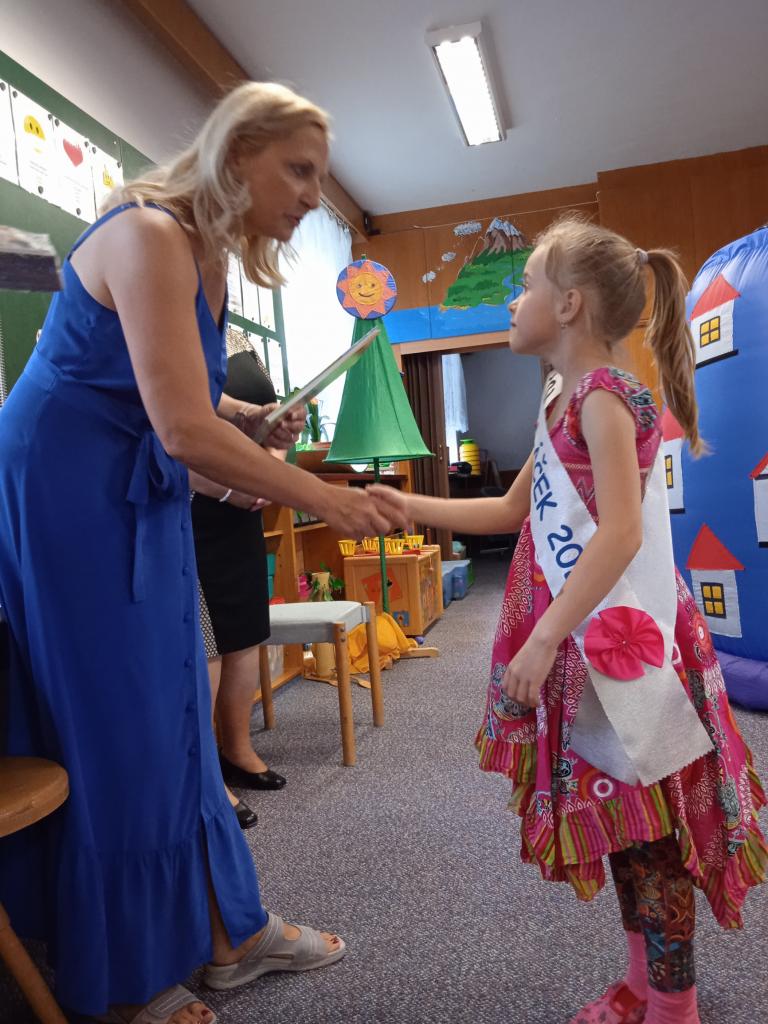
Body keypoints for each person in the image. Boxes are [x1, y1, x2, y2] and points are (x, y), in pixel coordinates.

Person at [0, 81, 400, 1024]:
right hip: (68, 494)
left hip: (127, 487)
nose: (312, 195)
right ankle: (128, 974)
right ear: (236, 152)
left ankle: (226, 930)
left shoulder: (203, 253)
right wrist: (322, 497)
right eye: (298, 170)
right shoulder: (147, 233)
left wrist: (248, 418)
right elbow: (179, 426)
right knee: (122, 722)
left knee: (177, 704)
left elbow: (175, 390)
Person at [371, 216, 767, 1024]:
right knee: (625, 823)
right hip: (590, 647)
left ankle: (675, 1006)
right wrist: (407, 505)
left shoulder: (606, 398)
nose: (513, 302)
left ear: (570, 304)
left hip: (625, 646)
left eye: (525, 287)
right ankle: (643, 984)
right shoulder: (560, 397)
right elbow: (512, 511)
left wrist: (547, 636)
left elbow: (619, 534)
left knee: (654, 836)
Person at [191, 328, 289, 833]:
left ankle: (237, 748)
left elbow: (272, 417)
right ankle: (205, 770)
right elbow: (168, 427)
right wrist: (230, 489)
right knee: (206, 640)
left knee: (246, 630)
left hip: (245, 508)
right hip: (192, 505)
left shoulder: (240, 337)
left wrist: (270, 471)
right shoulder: (167, 325)